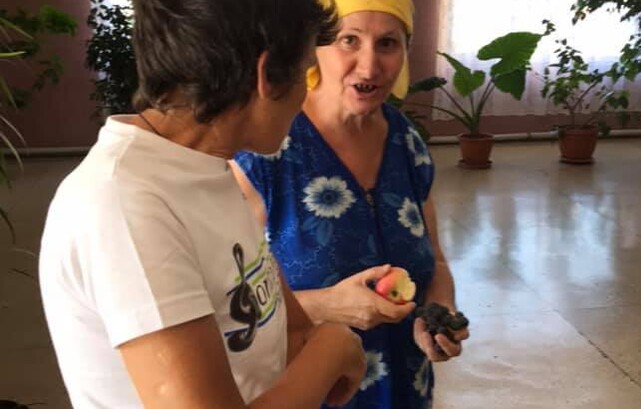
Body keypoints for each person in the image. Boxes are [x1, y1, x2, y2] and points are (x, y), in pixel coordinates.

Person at [38, 1, 367, 408]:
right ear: (266, 75)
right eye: (305, 74)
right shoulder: (124, 205)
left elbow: (289, 331)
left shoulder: (204, 167)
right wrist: (333, 349)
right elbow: (316, 347)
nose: (306, 94)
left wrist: (321, 341)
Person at [233, 0, 470, 407]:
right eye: (349, 40)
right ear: (315, 47)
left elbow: (435, 261)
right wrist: (325, 306)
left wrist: (438, 312)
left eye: (388, 44)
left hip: (405, 390)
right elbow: (230, 310)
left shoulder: (406, 142)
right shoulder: (265, 152)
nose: (369, 65)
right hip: (310, 393)